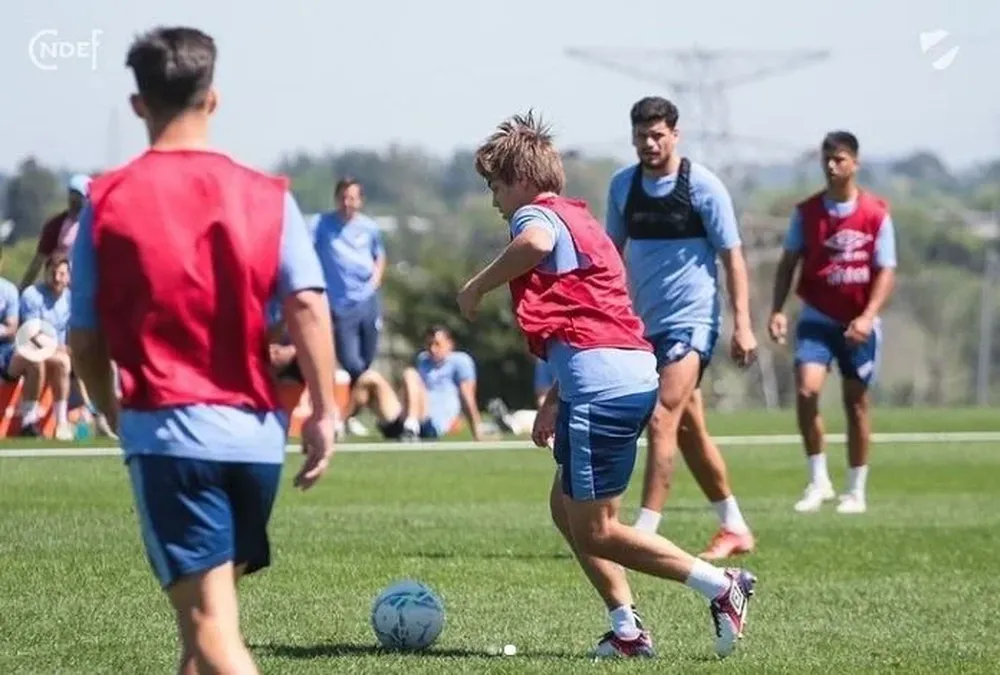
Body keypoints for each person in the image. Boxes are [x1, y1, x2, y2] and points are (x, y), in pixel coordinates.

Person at [67, 26, 337, 675]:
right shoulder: (269, 195)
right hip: (255, 441)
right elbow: (306, 304)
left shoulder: (106, 201)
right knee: (207, 631)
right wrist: (325, 410)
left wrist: (106, 406)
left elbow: (84, 336)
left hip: (170, 435)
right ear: (212, 99)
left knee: (212, 633)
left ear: (139, 105)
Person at [457, 111, 756, 659]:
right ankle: (626, 629)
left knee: (597, 529)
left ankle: (721, 586)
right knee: (564, 507)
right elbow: (586, 317)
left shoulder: (537, 215)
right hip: (613, 375)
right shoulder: (582, 219)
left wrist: (476, 286)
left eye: (495, 185)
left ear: (521, 180)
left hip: (604, 388)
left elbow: (534, 244)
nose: (495, 199)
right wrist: (554, 399)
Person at [606, 96, 756, 559]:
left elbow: (732, 257)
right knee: (687, 427)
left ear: (675, 135)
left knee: (659, 416)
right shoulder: (623, 187)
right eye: (641, 136)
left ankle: (646, 530)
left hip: (692, 322)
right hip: (641, 327)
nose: (649, 144)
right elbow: (611, 255)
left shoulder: (703, 186)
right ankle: (734, 526)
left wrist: (743, 325)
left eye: (657, 135)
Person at [769, 130, 896, 515]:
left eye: (839, 159)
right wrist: (777, 309)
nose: (831, 166)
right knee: (807, 392)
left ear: (855, 163)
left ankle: (856, 489)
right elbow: (788, 262)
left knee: (855, 402)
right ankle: (818, 479)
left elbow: (886, 271)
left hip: (858, 324)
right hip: (817, 318)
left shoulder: (875, 213)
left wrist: (868, 317)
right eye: (826, 159)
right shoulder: (807, 212)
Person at [313, 177, 386, 436]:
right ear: (337, 199)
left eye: (353, 198)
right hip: (339, 304)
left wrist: (376, 279)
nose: (348, 203)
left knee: (366, 362)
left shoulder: (370, 228)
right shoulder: (320, 225)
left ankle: (353, 414)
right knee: (352, 363)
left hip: (368, 302)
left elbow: (379, 256)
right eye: (344, 197)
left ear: (360, 200)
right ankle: (350, 414)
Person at [13, 256, 73, 439]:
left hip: (58, 354)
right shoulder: (32, 294)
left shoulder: (71, 298)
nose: (57, 278)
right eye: (53, 273)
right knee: (40, 359)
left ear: (68, 276)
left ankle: (62, 423)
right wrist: (63, 349)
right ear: (45, 273)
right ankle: (28, 421)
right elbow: (32, 335)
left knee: (65, 362)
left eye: (62, 274)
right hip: (25, 351)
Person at [20, 174, 90, 290]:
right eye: (72, 194)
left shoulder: (95, 226)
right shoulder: (56, 225)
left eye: (78, 195)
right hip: (59, 286)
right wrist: (23, 288)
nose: (74, 199)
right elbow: (39, 260)